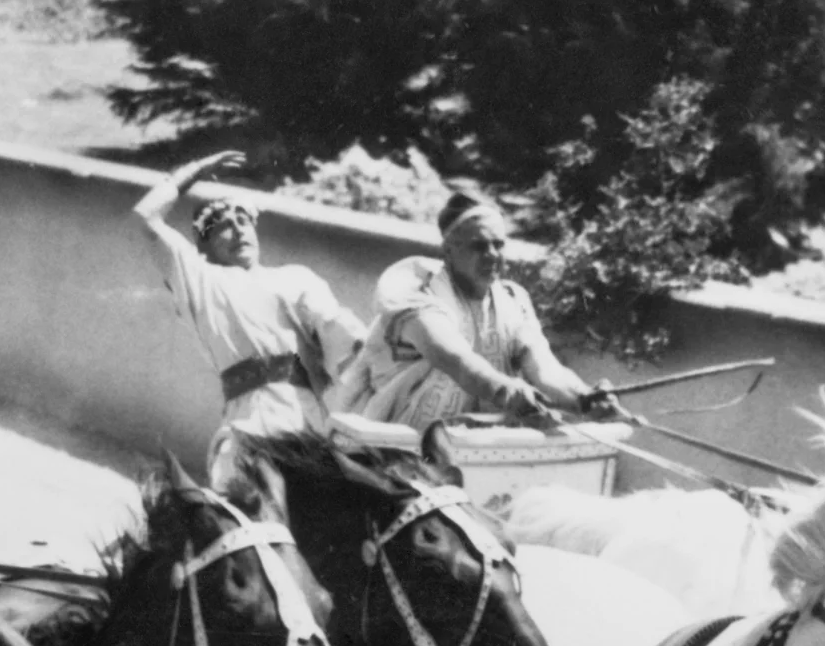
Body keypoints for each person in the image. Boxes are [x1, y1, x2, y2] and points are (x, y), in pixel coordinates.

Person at [133, 149, 364, 467]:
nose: (238, 229)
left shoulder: (296, 278)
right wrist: (194, 170)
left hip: (304, 417)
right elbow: (145, 217)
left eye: (243, 220)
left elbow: (339, 332)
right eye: (223, 226)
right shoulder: (201, 280)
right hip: (244, 428)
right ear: (206, 246)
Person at [336, 191, 620, 430]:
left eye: (498, 245)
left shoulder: (513, 300)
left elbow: (544, 369)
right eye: (479, 246)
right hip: (393, 435)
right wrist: (508, 391)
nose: (493, 255)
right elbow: (455, 359)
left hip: (470, 441)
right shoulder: (415, 287)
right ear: (448, 251)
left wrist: (584, 398)